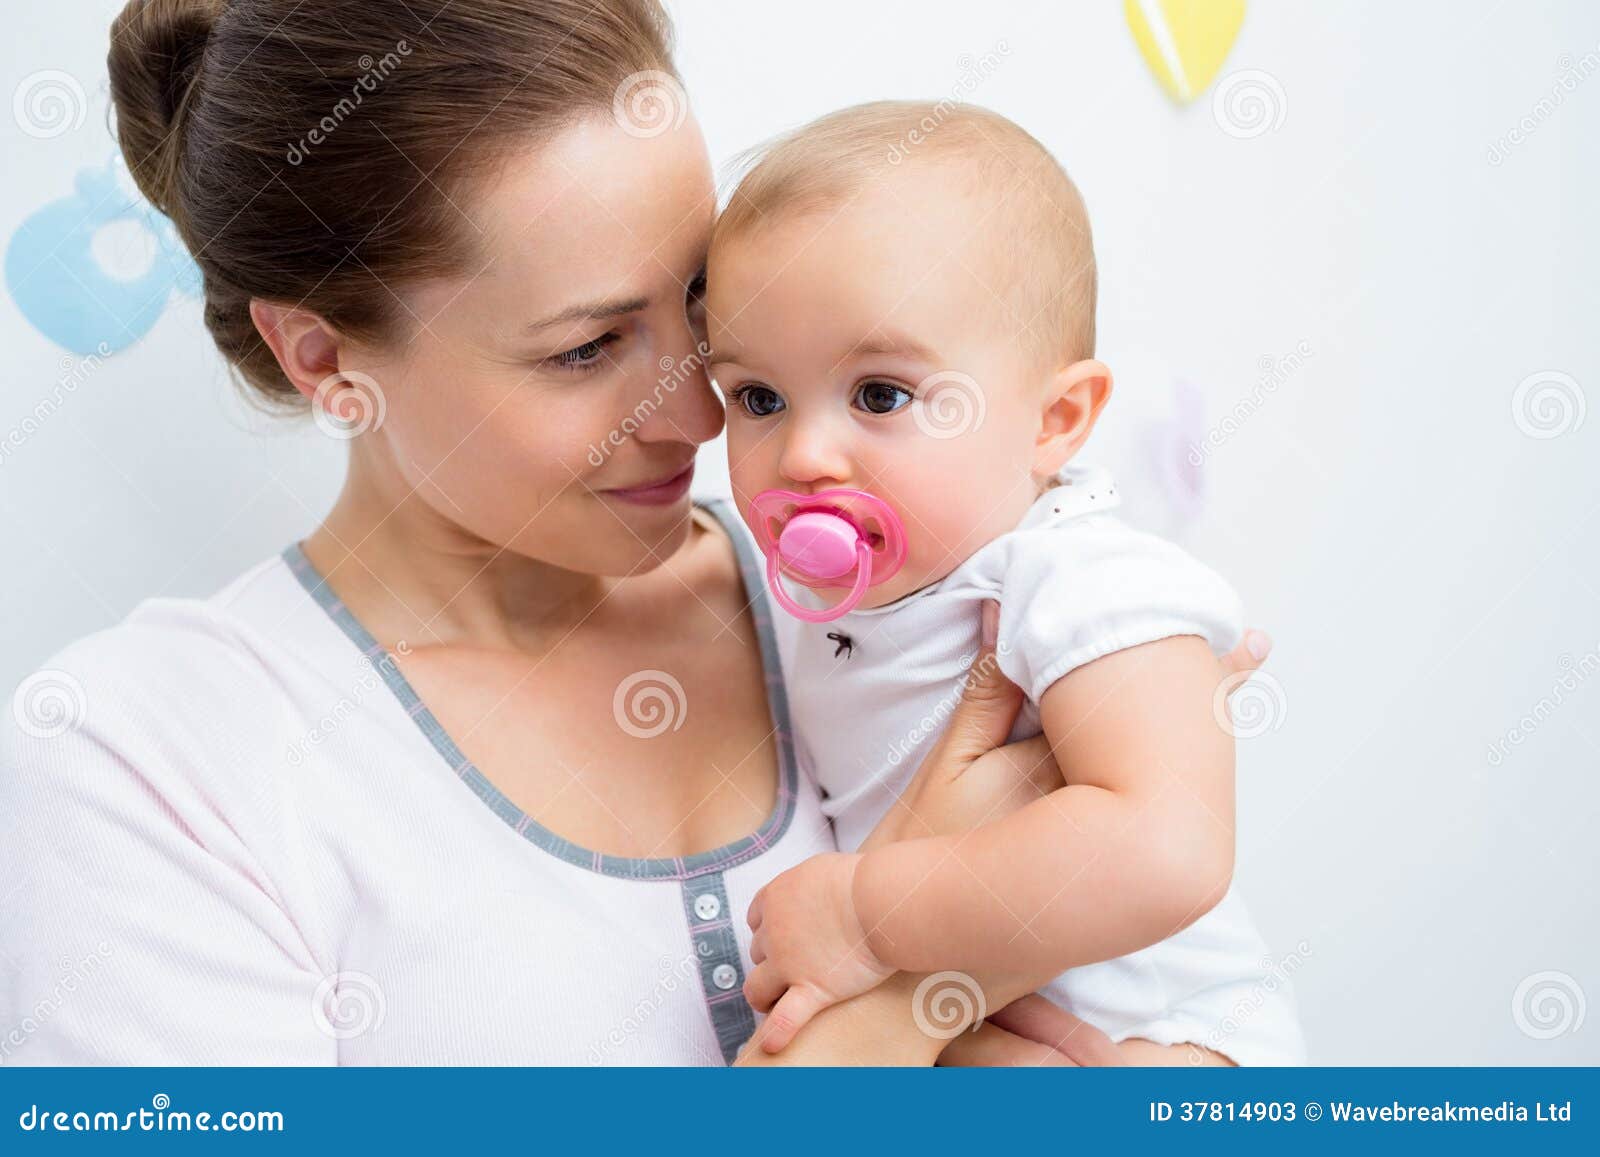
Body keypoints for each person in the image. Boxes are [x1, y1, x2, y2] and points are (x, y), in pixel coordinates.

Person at [0, 0, 1272, 1066]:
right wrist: (872, 1029)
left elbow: (1195, 991)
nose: (706, 410)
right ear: (327, 357)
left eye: (703, 314)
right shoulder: (143, 764)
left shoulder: (910, 594)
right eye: (590, 348)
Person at [707, 102, 1302, 1063]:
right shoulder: (803, 598)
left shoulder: (1082, 577)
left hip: (1164, 1039)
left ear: (1054, 419)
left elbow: (1169, 843)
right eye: (759, 398)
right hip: (968, 1021)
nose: (805, 452)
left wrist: (867, 915)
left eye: (881, 395)